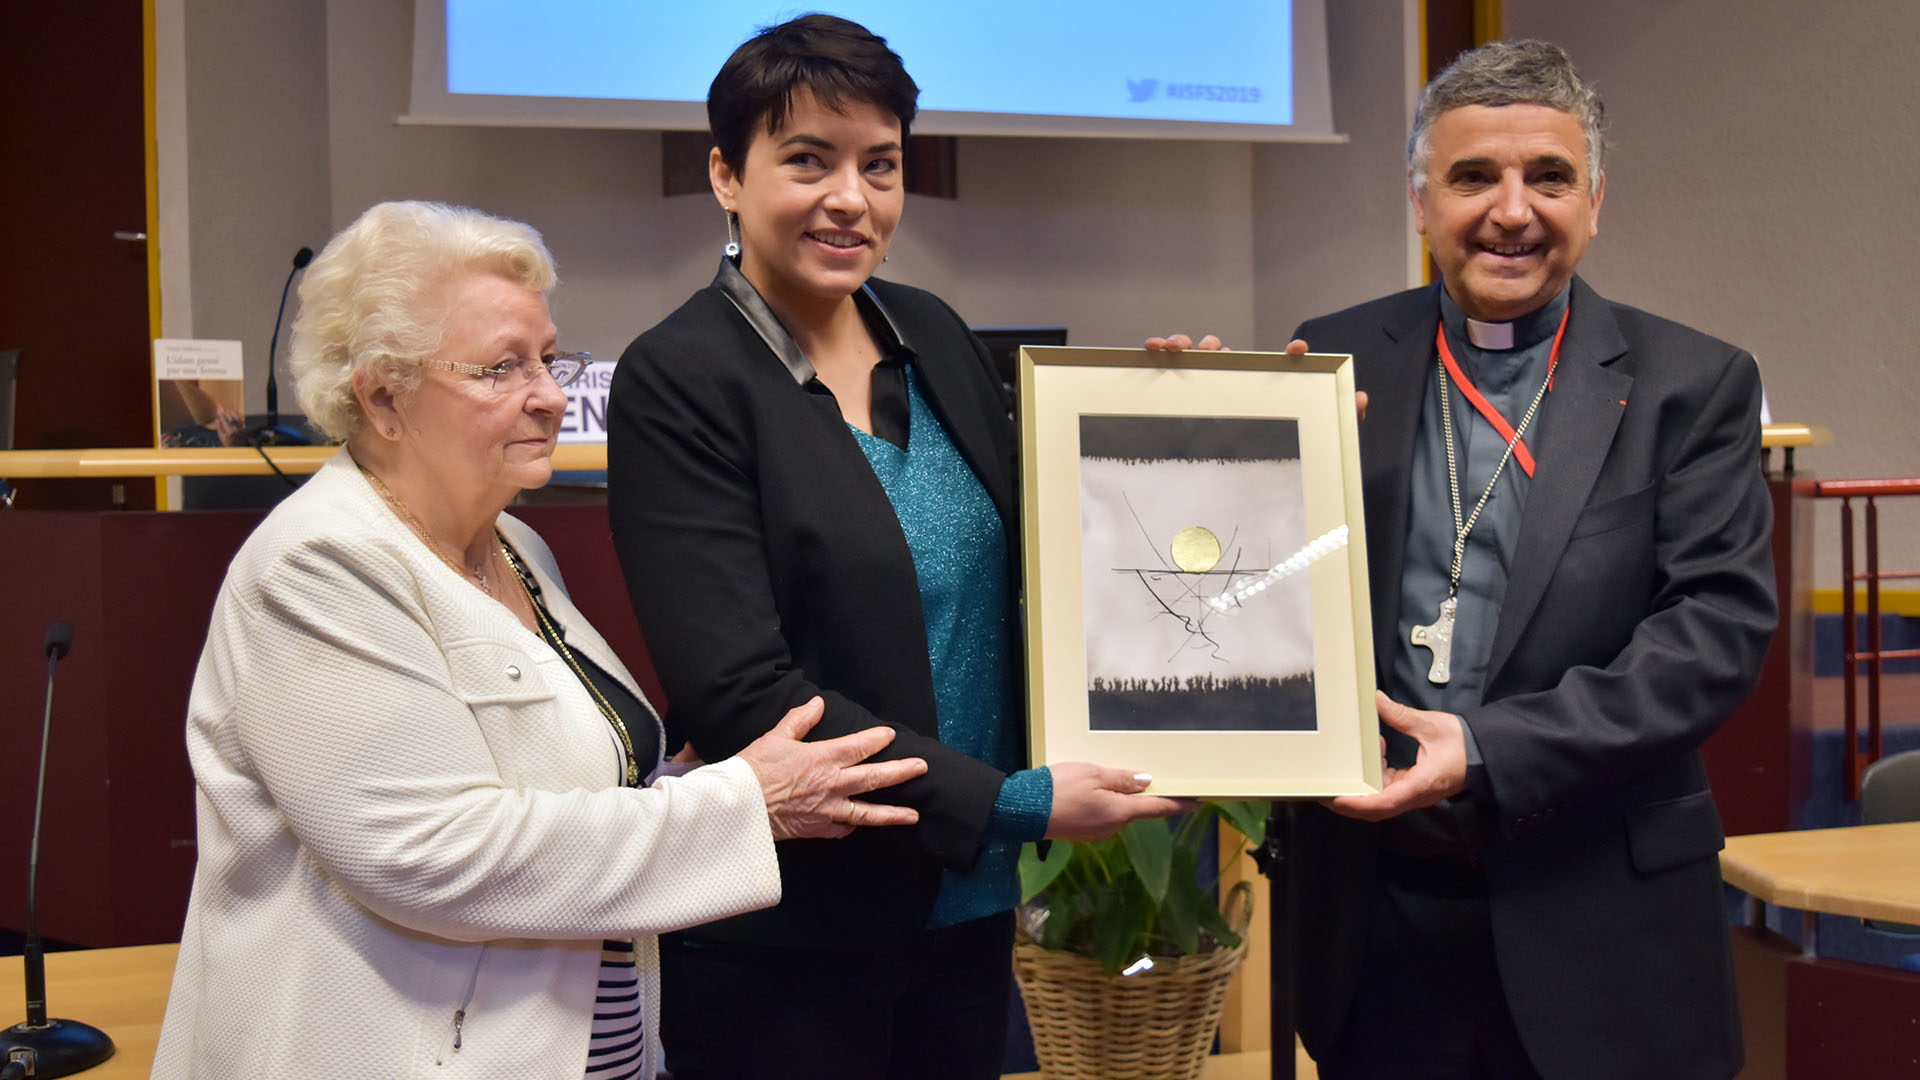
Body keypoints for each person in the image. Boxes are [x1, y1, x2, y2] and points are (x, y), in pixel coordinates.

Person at [151, 200, 932, 1080]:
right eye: (501, 369)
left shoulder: (516, 547)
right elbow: (436, 854)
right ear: (382, 395)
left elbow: (549, 782)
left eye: (552, 361)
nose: (552, 396)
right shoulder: (319, 567)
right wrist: (746, 804)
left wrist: (694, 777)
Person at [1163, 38, 1774, 1080]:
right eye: (1473, 177)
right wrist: (1197, 457)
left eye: (1549, 176)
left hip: (1602, 920)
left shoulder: (1692, 384)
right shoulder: (1336, 358)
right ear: (1419, 200)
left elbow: (1712, 637)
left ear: (1595, 200)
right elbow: (1250, 595)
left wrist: (1486, 748)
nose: (1512, 210)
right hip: (1380, 922)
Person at [607, 15, 1187, 1080]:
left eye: (881, 164)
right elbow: (743, 692)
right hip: (788, 936)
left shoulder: (934, 334)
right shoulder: (679, 377)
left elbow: (1069, 556)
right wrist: (1011, 803)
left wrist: (1201, 426)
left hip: (963, 914)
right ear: (726, 177)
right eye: (807, 161)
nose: (851, 199)